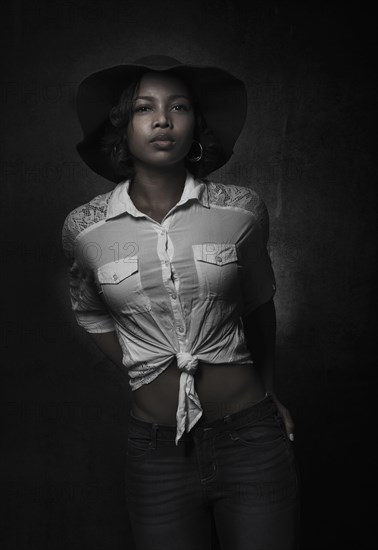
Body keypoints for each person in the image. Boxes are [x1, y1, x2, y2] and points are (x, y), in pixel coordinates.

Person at [61, 55, 300, 550]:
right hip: (155, 453)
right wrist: (140, 363)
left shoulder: (241, 210)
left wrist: (270, 390)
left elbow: (259, 302)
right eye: (144, 107)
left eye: (180, 107)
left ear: (197, 125)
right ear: (122, 126)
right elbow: (89, 310)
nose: (163, 120)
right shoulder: (85, 228)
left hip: (250, 438)